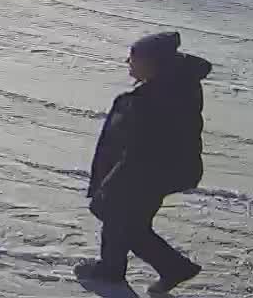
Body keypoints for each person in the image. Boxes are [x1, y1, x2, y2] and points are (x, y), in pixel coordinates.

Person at [77, 31, 210, 294]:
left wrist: (113, 182)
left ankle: (117, 271)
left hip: (146, 172)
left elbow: (142, 148)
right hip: (160, 170)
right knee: (126, 221)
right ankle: (158, 267)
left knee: (119, 217)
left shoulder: (154, 99)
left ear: (153, 63)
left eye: (134, 58)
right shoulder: (174, 85)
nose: (128, 62)